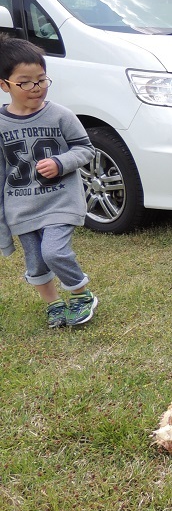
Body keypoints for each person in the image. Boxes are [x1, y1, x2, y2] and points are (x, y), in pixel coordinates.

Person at [0, 36, 98, 327]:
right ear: (4, 85)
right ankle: (53, 303)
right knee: (36, 261)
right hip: (21, 207)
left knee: (54, 251)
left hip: (59, 199)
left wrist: (60, 162)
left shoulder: (60, 115)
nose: (36, 88)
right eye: (25, 82)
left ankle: (81, 294)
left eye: (41, 79)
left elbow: (86, 149)